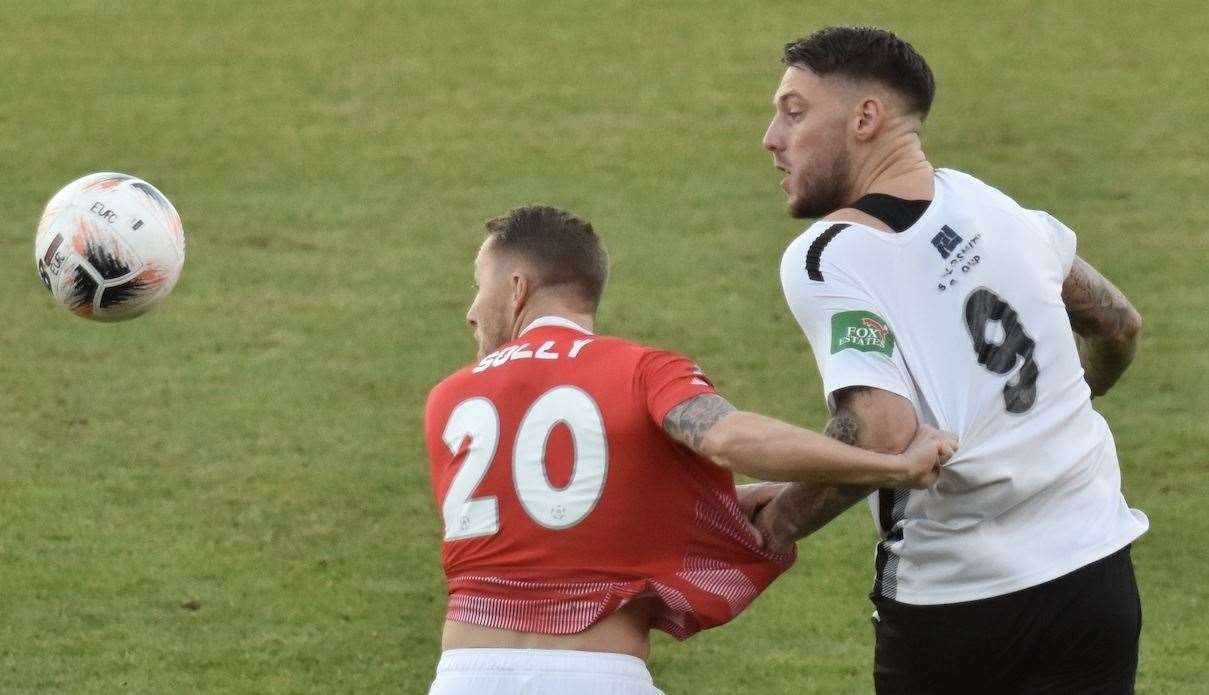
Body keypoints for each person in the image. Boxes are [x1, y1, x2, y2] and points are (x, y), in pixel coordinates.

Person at [754, 26, 1148, 694]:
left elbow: (880, 435)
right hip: (1095, 570)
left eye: (794, 112)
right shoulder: (990, 203)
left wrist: (775, 526)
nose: (771, 136)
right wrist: (1062, 401)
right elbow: (1118, 324)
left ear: (864, 118)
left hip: (963, 599)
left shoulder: (831, 256)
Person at [423, 205, 956, 695]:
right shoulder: (641, 370)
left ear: (517, 288)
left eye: (478, 286)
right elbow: (727, 438)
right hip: (596, 674)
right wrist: (893, 466)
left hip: (463, 675)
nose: (472, 311)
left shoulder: (449, 399)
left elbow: (549, 520)